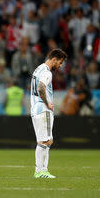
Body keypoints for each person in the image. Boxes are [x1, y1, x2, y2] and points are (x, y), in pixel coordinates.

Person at [30, 48, 67, 178]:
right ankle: (40, 171)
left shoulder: (38, 69)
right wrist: (47, 102)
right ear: (54, 59)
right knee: (44, 141)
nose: (60, 65)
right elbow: (40, 87)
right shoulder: (47, 72)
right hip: (43, 109)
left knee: (47, 140)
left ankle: (42, 170)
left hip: (35, 109)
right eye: (60, 62)